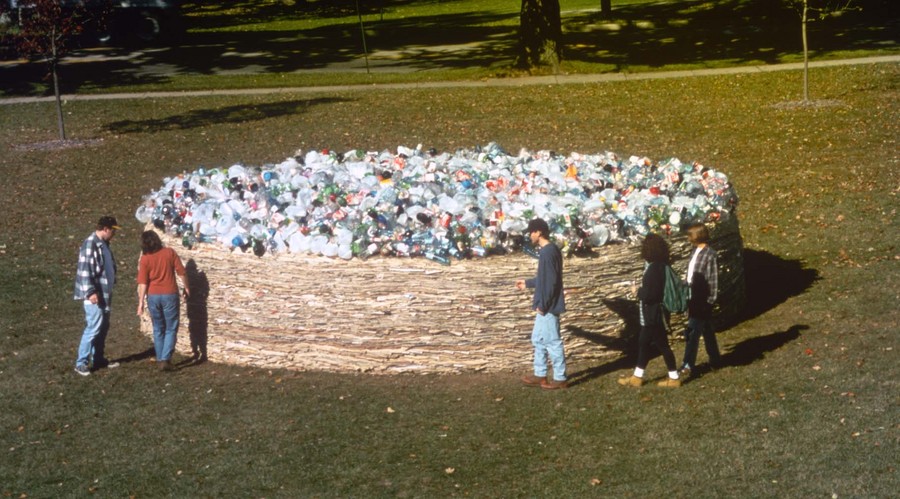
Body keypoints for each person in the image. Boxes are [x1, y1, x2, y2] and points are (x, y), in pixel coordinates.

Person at [618, 233, 681, 388]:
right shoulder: (663, 265)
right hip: (655, 313)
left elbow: (652, 295)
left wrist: (637, 291)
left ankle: (674, 377)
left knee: (662, 345)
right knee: (644, 343)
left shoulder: (653, 269)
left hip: (653, 314)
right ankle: (637, 376)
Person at [515, 218, 568, 390]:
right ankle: (540, 374)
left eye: (531, 232)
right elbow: (545, 278)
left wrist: (544, 304)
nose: (530, 235)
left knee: (553, 341)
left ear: (539, 232)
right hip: (544, 303)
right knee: (538, 339)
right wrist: (528, 283)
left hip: (548, 306)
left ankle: (560, 378)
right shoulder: (548, 251)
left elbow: (552, 282)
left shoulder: (548, 252)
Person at [73, 216, 121, 376]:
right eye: (113, 230)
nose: (114, 234)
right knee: (93, 327)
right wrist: (90, 292)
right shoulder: (90, 244)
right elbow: (85, 269)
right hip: (95, 295)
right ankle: (81, 363)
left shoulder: (103, 244)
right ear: (106, 229)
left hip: (105, 294)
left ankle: (98, 358)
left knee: (103, 327)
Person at [137, 230, 190, 372]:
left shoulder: (145, 259)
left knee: (158, 328)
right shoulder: (169, 253)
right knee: (171, 328)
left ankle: (160, 358)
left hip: (153, 296)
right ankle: (165, 359)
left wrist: (141, 302)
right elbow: (181, 272)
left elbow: (143, 282)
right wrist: (186, 287)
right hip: (169, 294)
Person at [679, 223, 721, 378]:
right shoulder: (694, 251)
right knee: (707, 330)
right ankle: (715, 359)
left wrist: (710, 301)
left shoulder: (710, 254)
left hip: (702, 299)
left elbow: (713, 279)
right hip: (692, 295)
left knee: (692, 332)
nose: (688, 238)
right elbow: (691, 274)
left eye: (690, 235)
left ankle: (687, 365)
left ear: (698, 236)